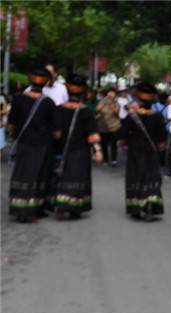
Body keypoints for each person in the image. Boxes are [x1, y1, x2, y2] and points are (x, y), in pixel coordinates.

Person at [6, 67, 60, 222]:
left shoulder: (18, 99)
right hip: (43, 146)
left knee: (22, 174)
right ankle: (36, 209)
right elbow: (56, 132)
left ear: (29, 79)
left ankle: (20, 209)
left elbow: (11, 125)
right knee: (39, 176)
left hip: (24, 144)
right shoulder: (48, 103)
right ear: (46, 82)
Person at [51, 74, 103, 220]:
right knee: (78, 178)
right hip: (80, 151)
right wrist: (97, 150)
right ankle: (75, 209)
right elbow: (92, 133)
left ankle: (60, 207)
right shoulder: (86, 111)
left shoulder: (58, 109)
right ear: (82, 92)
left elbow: (55, 132)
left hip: (61, 150)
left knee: (61, 177)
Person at [118, 82, 167, 221]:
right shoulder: (157, 116)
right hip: (151, 152)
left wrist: (124, 142)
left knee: (135, 178)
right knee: (151, 178)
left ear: (139, 100)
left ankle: (136, 208)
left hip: (135, 152)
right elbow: (162, 140)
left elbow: (122, 136)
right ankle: (150, 204)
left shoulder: (132, 116)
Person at [96, 89, 121, 166]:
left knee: (113, 144)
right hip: (103, 127)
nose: (110, 94)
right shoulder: (102, 102)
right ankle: (105, 159)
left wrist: (110, 105)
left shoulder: (116, 103)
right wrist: (104, 103)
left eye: (112, 93)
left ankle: (114, 160)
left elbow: (116, 112)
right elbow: (97, 109)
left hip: (114, 127)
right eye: (109, 93)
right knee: (104, 144)